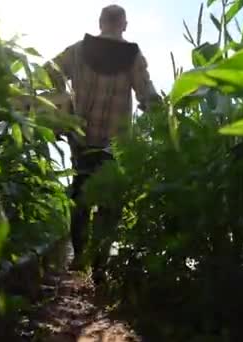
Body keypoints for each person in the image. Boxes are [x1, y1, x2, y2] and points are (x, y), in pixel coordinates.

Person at [45, 4, 159, 278]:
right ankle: (100, 265)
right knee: (110, 201)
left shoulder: (78, 49)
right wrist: (162, 113)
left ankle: (80, 258)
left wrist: (62, 102)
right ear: (124, 25)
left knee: (81, 195)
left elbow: (48, 69)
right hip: (115, 143)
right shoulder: (132, 55)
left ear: (100, 22)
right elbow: (147, 92)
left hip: (81, 137)